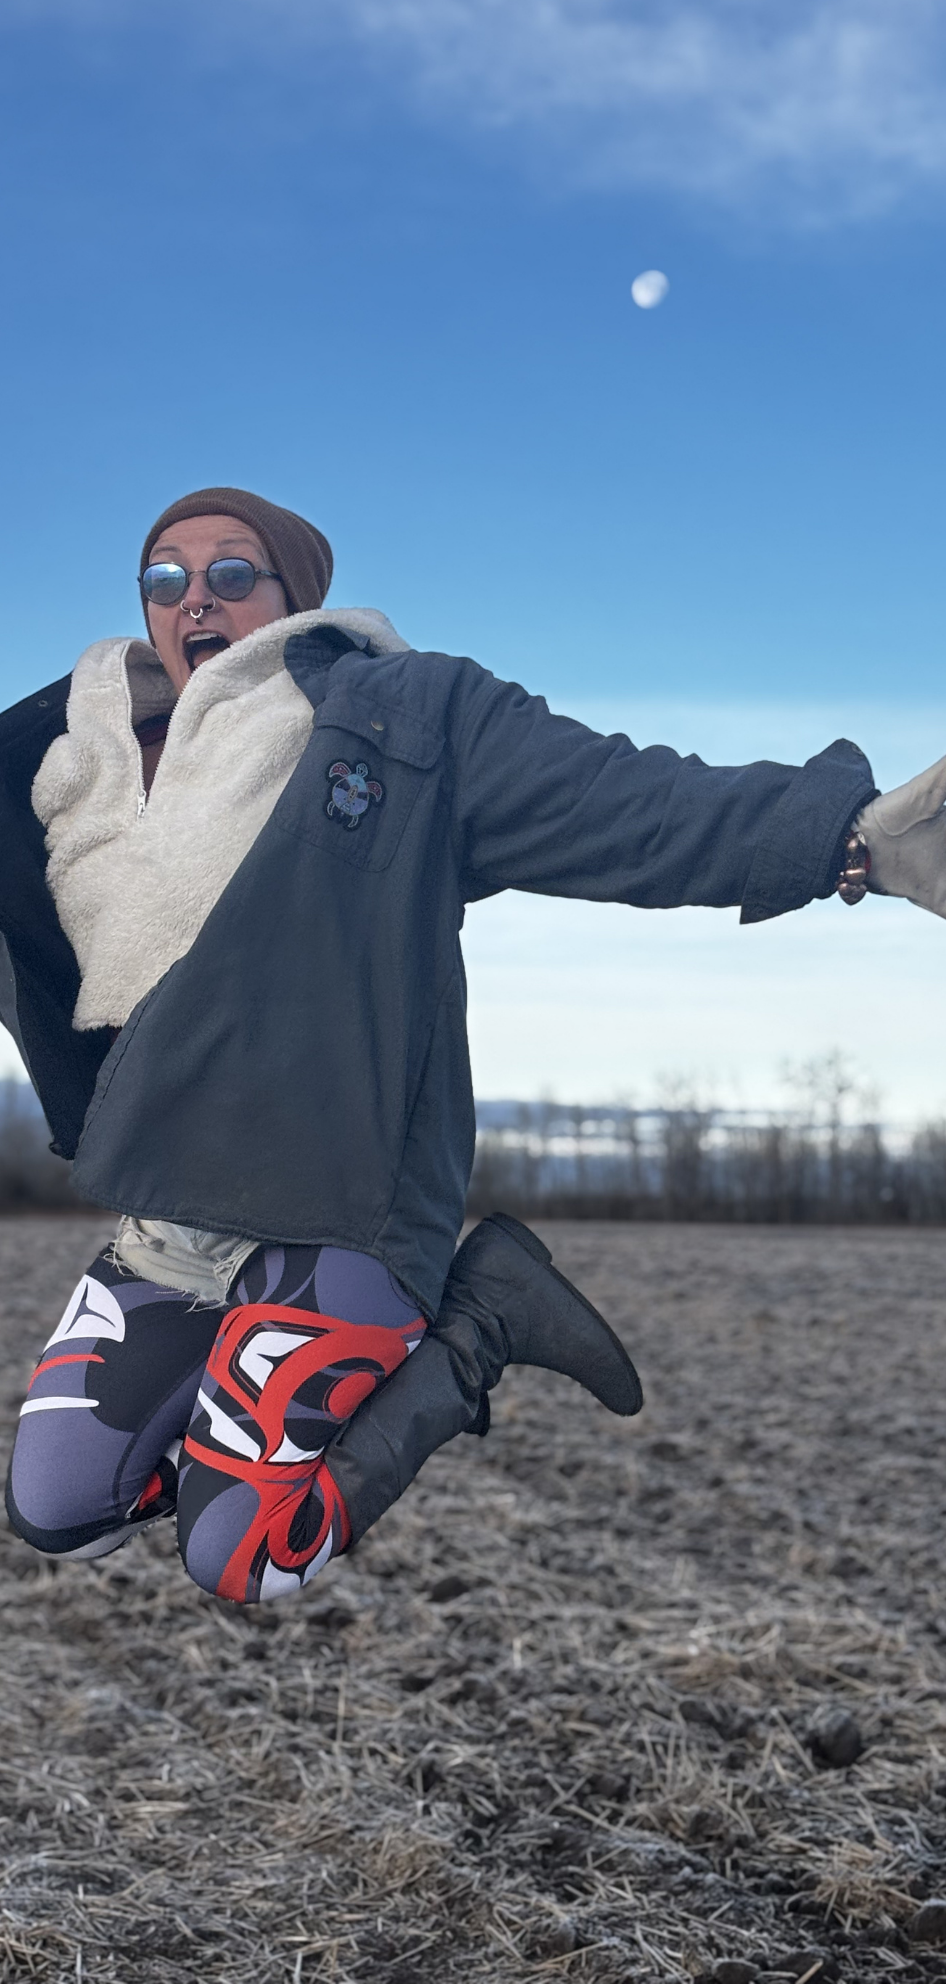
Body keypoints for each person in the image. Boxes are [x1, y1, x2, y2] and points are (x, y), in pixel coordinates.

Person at [2, 486, 944, 1604]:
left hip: (340, 1200)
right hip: (168, 1210)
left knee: (246, 1555)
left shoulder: (403, 719)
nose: (194, 596)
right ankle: (229, 1416)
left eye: (231, 571)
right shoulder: (68, 760)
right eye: (165, 577)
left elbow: (627, 802)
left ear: (293, 594)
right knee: (57, 1510)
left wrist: (850, 837)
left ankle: (486, 1313)